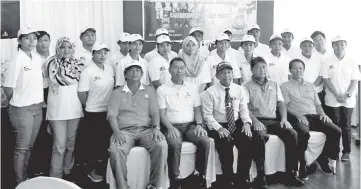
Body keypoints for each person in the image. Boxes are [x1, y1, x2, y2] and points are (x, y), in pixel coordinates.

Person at [243, 57, 304, 188]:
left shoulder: (274, 84)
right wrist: (254, 121)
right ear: (252, 70)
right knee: (259, 137)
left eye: (264, 67)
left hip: (274, 120)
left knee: (292, 133)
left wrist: (284, 119)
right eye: (258, 67)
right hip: (258, 121)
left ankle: (290, 174)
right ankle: (261, 177)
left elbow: (281, 103)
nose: (262, 70)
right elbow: (244, 107)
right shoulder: (246, 86)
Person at [107, 61, 168, 189]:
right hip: (124, 131)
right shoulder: (117, 92)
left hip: (147, 130)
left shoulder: (150, 90)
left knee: (161, 145)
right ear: (125, 74)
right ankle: (122, 186)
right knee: (115, 150)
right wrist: (116, 132)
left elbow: (155, 112)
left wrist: (156, 128)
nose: (134, 73)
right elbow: (112, 115)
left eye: (137, 70)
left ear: (142, 74)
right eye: (131, 70)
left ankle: (154, 185)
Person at [201, 62, 261, 188]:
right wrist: (219, 128)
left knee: (249, 140)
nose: (226, 75)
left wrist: (247, 123)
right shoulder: (210, 92)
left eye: (229, 72)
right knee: (226, 143)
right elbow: (207, 115)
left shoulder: (239, 89)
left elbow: (244, 111)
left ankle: (242, 179)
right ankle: (227, 180)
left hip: (236, 123)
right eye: (223, 72)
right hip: (218, 124)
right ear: (217, 75)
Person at [281, 59, 342, 177]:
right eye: (295, 68)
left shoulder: (311, 86)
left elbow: (318, 104)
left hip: (314, 116)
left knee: (336, 131)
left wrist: (323, 114)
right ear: (290, 70)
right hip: (298, 116)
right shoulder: (284, 86)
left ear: (303, 70)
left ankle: (323, 157)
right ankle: (303, 164)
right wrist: (298, 115)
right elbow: (285, 106)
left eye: (300, 68)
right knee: (303, 133)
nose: (298, 70)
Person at [157, 57, 210, 189]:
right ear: (169, 70)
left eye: (181, 67)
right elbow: (161, 114)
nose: (179, 70)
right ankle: (174, 179)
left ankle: (200, 175)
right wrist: (169, 128)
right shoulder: (162, 89)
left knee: (205, 140)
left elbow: (197, 109)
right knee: (174, 144)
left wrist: (199, 124)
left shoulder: (192, 88)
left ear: (185, 70)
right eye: (175, 67)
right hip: (171, 126)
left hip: (191, 125)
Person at [3, 27, 44, 185]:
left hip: (36, 108)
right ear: (19, 41)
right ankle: (20, 182)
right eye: (27, 38)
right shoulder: (17, 60)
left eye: (34, 38)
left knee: (29, 147)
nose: (32, 41)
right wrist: (18, 102)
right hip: (21, 110)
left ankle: (25, 177)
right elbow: (8, 88)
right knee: (21, 148)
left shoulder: (36, 57)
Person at [43, 37, 84, 178]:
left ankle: (68, 170)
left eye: (69, 47)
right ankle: (56, 175)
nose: (66, 50)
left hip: (74, 109)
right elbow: (44, 86)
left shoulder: (79, 64)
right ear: (57, 48)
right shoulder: (49, 63)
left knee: (71, 144)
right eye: (62, 47)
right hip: (57, 111)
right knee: (59, 146)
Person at [78, 42, 114, 182]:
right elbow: (82, 93)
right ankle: (90, 171)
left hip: (107, 112)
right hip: (93, 113)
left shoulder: (109, 68)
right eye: (99, 52)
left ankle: (103, 171)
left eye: (105, 52)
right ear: (93, 54)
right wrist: (89, 106)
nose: (102, 55)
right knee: (92, 144)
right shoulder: (88, 71)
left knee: (104, 144)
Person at [321, 36, 361, 161]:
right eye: (336, 44)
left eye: (342, 44)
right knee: (334, 125)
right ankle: (334, 151)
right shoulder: (327, 61)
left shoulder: (352, 61)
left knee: (346, 125)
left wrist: (347, 94)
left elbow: (355, 79)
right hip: (332, 99)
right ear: (332, 46)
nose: (339, 47)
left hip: (348, 99)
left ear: (346, 45)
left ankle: (346, 152)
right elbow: (325, 79)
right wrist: (337, 94)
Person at [31, 30, 53, 176]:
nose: (43, 43)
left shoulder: (55, 57)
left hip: (54, 96)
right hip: (38, 97)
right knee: (40, 133)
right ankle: (38, 167)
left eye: (45, 40)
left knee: (54, 133)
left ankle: (52, 167)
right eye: (39, 40)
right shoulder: (32, 58)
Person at [295, 37, 324, 106]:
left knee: (318, 115)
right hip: (300, 93)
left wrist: (311, 87)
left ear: (313, 47)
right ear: (300, 47)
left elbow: (321, 75)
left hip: (317, 92)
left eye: (310, 46)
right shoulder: (295, 59)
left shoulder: (320, 59)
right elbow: (293, 76)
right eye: (304, 45)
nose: (307, 48)